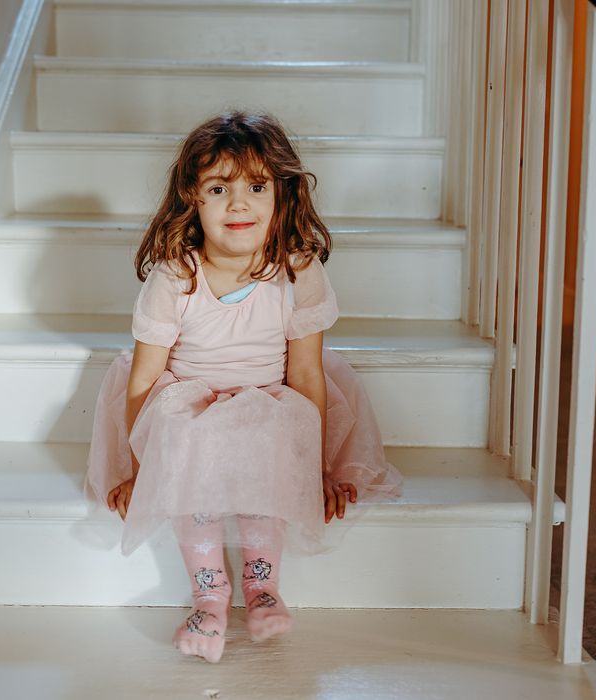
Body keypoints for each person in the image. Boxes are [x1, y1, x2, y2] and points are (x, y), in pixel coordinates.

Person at [85, 111, 403, 664]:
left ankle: (263, 586)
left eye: (256, 187)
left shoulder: (297, 269)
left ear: (281, 195)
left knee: (271, 446)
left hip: (268, 398)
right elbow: (142, 378)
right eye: (218, 188)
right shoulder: (175, 274)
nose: (239, 204)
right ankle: (209, 593)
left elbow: (305, 375)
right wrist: (144, 467)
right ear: (193, 198)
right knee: (190, 455)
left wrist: (317, 466)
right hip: (188, 400)